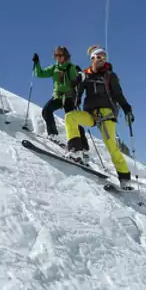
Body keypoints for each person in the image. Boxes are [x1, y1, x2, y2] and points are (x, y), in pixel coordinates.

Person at [65, 45, 135, 189]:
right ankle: (75, 151)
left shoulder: (110, 76)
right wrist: (77, 81)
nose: (101, 59)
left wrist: (127, 110)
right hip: (91, 114)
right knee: (70, 117)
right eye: (98, 57)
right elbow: (74, 88)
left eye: (103, 56)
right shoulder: (85, 74)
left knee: (112, 148)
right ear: (92, 59)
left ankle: (125, 180)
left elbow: (118, 95)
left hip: (106, 115)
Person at [32, 46, 88, 150]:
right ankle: (53, 134)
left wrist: (79, 77)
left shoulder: (70, 67)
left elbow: (77, 78)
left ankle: (83, 146)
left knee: (72, 120)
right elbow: (40, 74)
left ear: (65, 56)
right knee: (46, 111)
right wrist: (37, 63)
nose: (58, 57)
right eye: (56, 55)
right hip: (57, 96)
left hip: (69, 97)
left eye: (60, 55)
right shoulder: (54, 68)